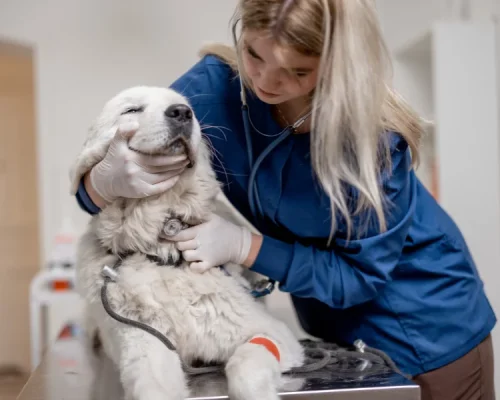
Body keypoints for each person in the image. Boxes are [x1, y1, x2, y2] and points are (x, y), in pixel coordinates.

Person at [74, 0, 496, 398]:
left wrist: (245, 246)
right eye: (255, 56)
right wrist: (100, 183)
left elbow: (360, 277)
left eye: (297, 71)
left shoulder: (373, 140)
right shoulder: (212, 90)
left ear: (335, 64)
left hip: (431, 324)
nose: (266, 82)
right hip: (331, 329)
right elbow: (129, 151)